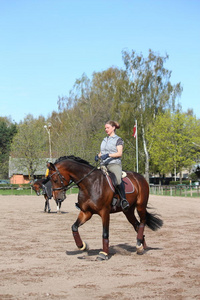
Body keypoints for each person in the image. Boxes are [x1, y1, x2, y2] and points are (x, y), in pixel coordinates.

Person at [95, 120, 130, 212]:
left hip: (114, 164)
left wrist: (108, 155)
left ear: (113, 128)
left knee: (118, 181)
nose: (106, 130)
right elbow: (102, 152)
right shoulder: (104, 140)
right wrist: (98, 156)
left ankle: (123, 200)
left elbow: (119, 153)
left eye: (108, 128)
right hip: (103, 164)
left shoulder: (118, 139)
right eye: (105, 128)